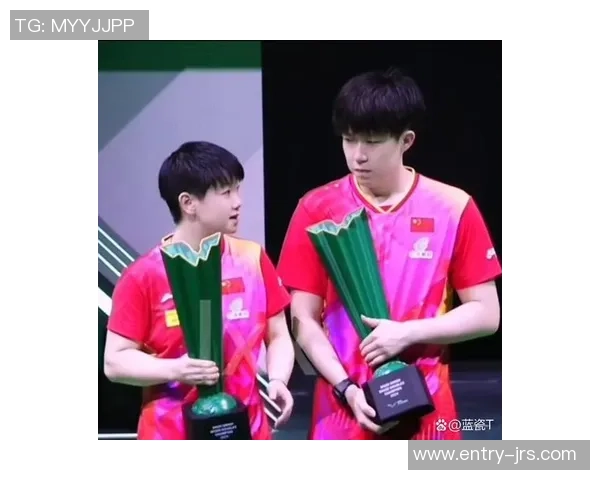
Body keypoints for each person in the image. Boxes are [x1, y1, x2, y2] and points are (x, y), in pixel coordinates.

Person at [277, 68, 502, 440]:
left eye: (372, 141)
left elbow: (487, 314)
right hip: (341, 413)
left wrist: (407, 334)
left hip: (427, 413)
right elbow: (303, 320)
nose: (358, 155)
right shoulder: (315, 208)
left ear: (406, 140)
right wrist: (347, 389)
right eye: (349, 140)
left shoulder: (452, 207)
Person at [104, 141, 295, 440]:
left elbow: (278, 334)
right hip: (170, 433)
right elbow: (115, 362)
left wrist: (279, 379)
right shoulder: (143, 276)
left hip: (247, 428)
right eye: (226, 192)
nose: (238, 202)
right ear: (188, 203)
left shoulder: (252, 259)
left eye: (238, 189)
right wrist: (176, 370)